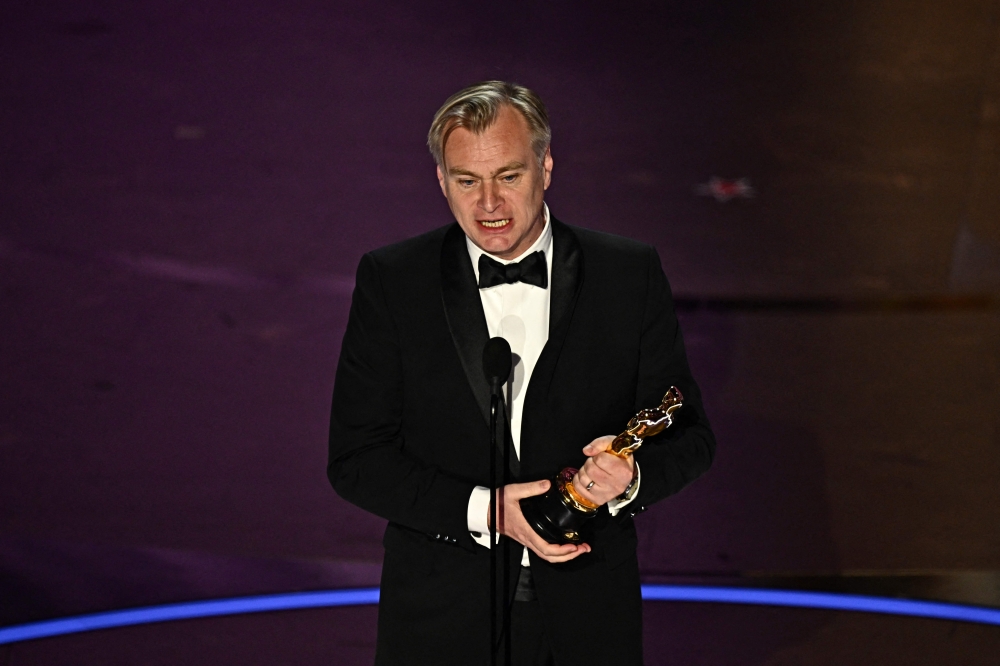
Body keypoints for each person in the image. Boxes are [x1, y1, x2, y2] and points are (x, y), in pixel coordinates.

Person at [328, 81, 715, 666]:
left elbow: (690, 436)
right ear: (441, 180)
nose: (488, 205)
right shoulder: (394, 281)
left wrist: (628, 481)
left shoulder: (627, 274)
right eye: (466, 181)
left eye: (508, 176)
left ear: (546, 167)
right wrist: (489, 510)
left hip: (588, 617)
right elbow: (356, 460)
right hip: (439, 618)